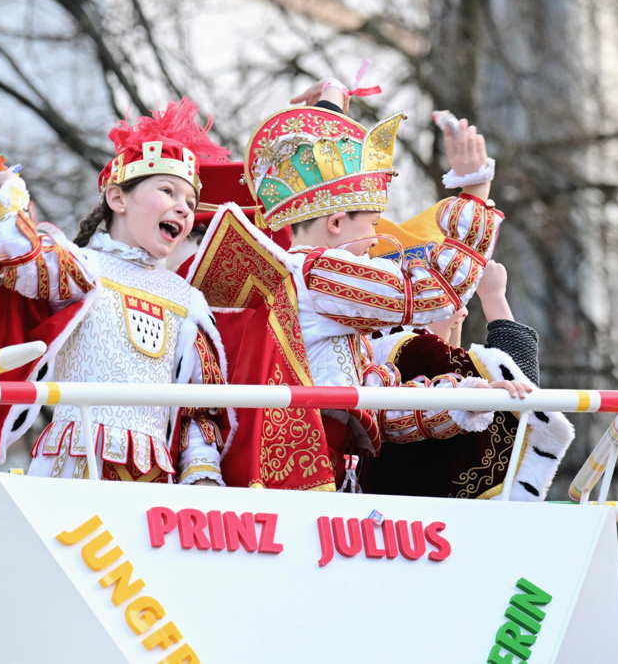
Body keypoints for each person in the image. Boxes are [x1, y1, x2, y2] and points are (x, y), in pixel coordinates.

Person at [185, 78, 529, 491]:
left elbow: (379, 411)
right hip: (304, 486)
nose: (377, 242)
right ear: (334, 224)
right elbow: (432, 291)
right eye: (371, 226)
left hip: (328, 478)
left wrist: (467, 399)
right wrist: (474, 192)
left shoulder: (328, 302)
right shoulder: (320, 274)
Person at [0, 99, 229, 484]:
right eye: (168, 191)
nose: (183, 208)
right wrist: (10, 205)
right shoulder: (85, 268)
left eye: (190, 203)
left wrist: (203, 474)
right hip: (76, 462)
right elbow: (29, 263)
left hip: (156, 479)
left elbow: (199, 409)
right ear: (117, 198)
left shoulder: (187, 300)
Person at [360, 260, 575, 501]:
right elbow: (520, 387)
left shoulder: (374, 348)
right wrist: (494, 298)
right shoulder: (413, 348)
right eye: (454, 297)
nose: (462, 311)